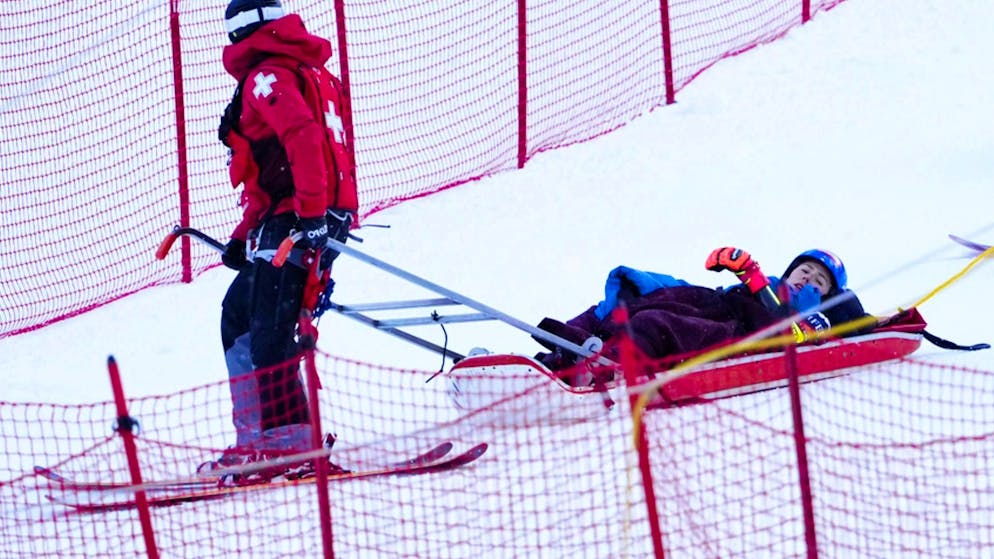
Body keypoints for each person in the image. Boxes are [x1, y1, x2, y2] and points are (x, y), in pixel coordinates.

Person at [204, 0, 358, 480]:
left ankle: (285, 445)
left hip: (299, 219)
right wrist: (242, 235)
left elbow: (303, 139)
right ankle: (263, 439)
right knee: (239, 313)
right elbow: (279, 169)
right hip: (307, 214)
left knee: (270, 328)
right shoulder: (310, 72)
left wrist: (310, 215)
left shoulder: (265, 76)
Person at [534, 247, 874, 378]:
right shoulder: (770, 284)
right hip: (719, 303)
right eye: (805, 270)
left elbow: (783, 332)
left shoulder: (811, 313)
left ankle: (611, 368)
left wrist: (751, 276)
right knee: (631, 299)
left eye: (820, 281)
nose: (808, 279)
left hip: (739, 331)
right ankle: (562, 351)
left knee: (655, 323)